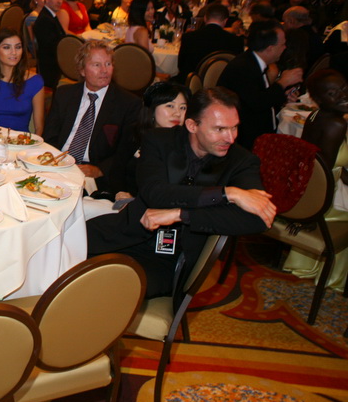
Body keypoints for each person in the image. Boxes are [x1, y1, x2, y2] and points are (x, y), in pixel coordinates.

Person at [86, 87, 274, 297]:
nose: (230, 138)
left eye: (234, 128)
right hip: (124, 231)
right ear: (192, 125)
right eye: (220, 129)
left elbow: (259, 219)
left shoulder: (242, 162)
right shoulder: (158, 140)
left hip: (169, 260)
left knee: (104, 289)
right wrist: (227, 193)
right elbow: (155, 193)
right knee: (62, 247)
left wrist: (181, 215)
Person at [43, 40, 142, 194]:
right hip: (59, 164)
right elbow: (50, 136)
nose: (104, 70)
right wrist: (58, 162)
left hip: (94, 173)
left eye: (108, 64)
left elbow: (126, 150)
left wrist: (100, 170)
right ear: (82, 70)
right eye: (97, 65)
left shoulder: (128, 103)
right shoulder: (65, 95)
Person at [287, 69, 348, 292]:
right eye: (333, 93)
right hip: (328, 199)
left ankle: (308, 266)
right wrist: (312, 211)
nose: (343, 95)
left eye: (344, 88)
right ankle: (332, 277)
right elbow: (325, 172)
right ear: (319, 99)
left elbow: (312, 165)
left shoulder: (315, 116)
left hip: (311, 190)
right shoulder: (337, 124)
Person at [217, 20, 303, 150]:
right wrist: (283, 82)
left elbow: (261, 96)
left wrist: (283, 96)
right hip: (245, 140)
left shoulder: (253, 62)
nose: (285, 48)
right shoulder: (243, 68)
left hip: (257, 130)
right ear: (270, 48)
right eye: (282, 44)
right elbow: (257, 103)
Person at [0, 28, 44, 132]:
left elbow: (39, 127)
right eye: (6, 47)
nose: (14, 52)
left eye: (18, 47)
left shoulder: (35, 81)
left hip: (20, 140)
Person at [176, 3, 244, 79]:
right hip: (221, 83)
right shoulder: (236, 41)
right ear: (225, 21)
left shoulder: (189, 37)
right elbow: (237, 68)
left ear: (205, 18)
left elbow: (181, 65)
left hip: (193, 81)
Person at [33, 0, 68, 90]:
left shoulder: (50, 15)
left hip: (55, 60)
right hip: (51, 66)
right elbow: (51, 46)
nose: (59, 1)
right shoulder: (45, 19)